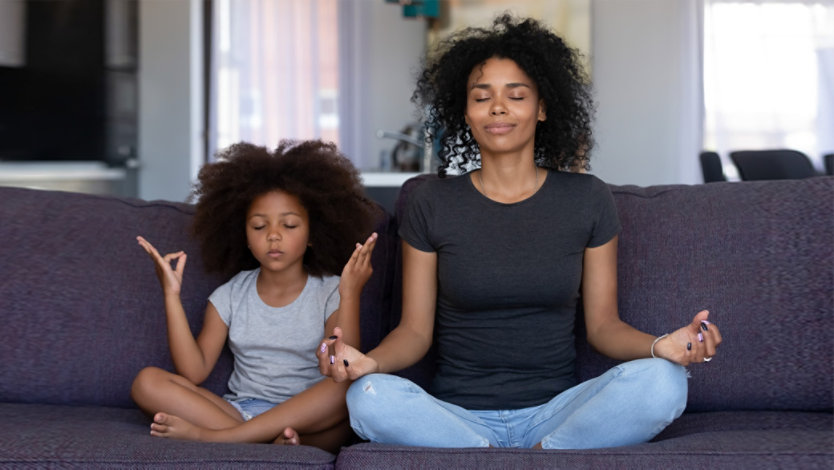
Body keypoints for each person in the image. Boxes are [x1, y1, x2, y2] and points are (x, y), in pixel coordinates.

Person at [318, 15, 723, 450]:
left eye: (516, 95)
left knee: (665, 380)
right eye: (481, 96)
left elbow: (604, 326)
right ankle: (497, 456)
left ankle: (535, 454)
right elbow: (415, 332)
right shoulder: (431, 203)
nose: (498, 107)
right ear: (466, 112)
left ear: (542, 108)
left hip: (557, 413)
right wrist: (368, 363)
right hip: (456, 418)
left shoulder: (586, 198)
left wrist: (663, 346)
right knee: (367, 396)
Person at [130, 140, 379, 453]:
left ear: (313, 234)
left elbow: (339, 364)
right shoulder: (230, 295)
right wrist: (171, 295)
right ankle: (270, 442)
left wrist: (350, 293)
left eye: (289, 224)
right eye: (259, 226)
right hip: (241, 412)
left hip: (310, 419)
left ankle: (221, 438)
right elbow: (194, 371)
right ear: (243, 236)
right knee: (147, 382)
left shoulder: (330, 290)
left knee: (344, 389)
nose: (273, 235)